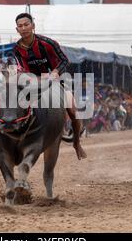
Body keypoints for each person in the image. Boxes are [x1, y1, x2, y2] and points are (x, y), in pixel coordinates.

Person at [13, 12, 87, 160]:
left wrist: (54, 72)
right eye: (20, 26)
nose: (23, 28)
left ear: (33, 26)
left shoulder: (47, 43)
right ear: (17, 29)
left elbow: (64, 60)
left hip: (58, 79)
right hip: (34, 82)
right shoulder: (16, 49)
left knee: (73, 111)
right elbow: (22, 68)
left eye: (26, 25)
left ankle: (77, 142)